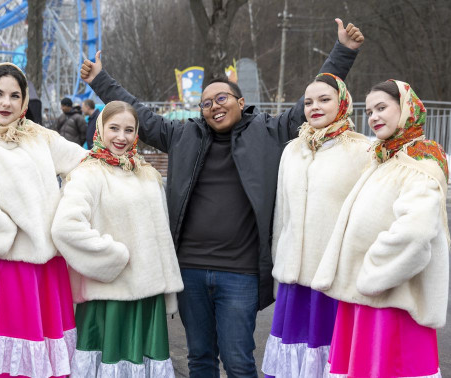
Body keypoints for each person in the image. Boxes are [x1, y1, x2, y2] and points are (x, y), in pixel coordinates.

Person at [80, 18, 364, 377]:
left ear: (241, 102)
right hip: (191, 269)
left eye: (222, 98)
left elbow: (311, 98)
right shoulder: (183, 136)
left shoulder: (269, 132)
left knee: (238, 360)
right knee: (199, 358)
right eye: (206, 102)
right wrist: (99, 81)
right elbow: (142, 115)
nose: (213, 105)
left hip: (241, 272)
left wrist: (344, 51)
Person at [0, 62, 87, 377]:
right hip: (8, 268)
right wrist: (1, 229)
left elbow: (84, 164)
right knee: (15, 361)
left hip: (48, 266)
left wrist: (69, 207)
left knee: (45, 360)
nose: (6, 103)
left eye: (14, 95)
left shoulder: (39, 136)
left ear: (24, 102)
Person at [312, 80, 448, 377]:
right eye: (370, 110)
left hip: (392, 300)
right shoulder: (386, 157)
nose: (373, 117)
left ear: (407, 108)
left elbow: (416, 231)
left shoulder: (421, 158)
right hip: (368, 297)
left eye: (382, 107)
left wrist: (373, 272)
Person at [52, 100, 184, 377]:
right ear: (100, 129)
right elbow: (65, 227)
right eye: (114, 128)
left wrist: (166, 284)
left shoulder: (147, 174)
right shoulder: (87, 172)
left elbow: (162, 236)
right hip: (109, 297)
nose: (121, 137)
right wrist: (113, 258)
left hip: (148, 297)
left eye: (128, 129)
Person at [261, 73, 370, 378]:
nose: (315, 107)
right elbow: (282, 215)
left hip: (333, 279)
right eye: (308, 102)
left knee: (331, 358)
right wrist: (279, 265)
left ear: (343, 103)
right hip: (293, 279)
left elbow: (364, 217)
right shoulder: (292, 150)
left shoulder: (362, 152)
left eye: (324, 100)